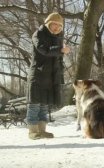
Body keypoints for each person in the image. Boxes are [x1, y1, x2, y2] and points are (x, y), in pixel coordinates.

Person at [26, 12, 70, 140]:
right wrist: (60, 51)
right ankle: (33, 131)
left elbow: (57, 59)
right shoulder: (38, 34)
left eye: (59, 25)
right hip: (38, 75)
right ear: (48, 23)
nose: (56, 27)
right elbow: (43, 50)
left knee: (44, 105)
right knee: (34, 104)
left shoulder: (58, 38)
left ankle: (42, 130)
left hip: (51, 77)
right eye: (54, 24)